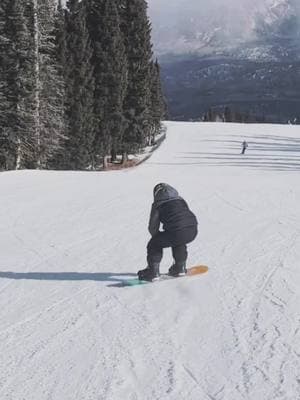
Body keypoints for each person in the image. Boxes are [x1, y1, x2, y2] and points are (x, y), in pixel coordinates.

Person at [138, 183, 198, 282]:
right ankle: (180, 267)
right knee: (178, 240)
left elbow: (153, 226)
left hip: (177, 231)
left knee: (155, 243)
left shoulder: (158, 204)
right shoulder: (180, 200)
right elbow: (184, 215)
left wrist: (156, 238)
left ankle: (153, 272)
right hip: (192, 229)